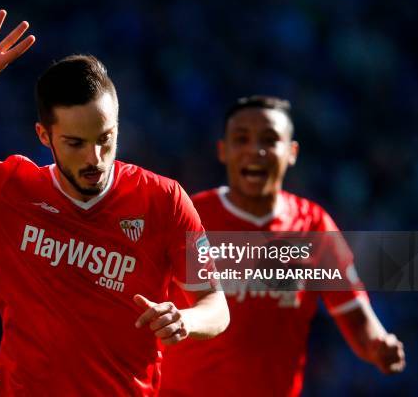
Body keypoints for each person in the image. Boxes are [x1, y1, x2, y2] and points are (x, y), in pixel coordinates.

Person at [0, 10, 229, 396]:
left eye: (105, 138)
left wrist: (185, 319)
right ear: (45, 135)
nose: (95, 158)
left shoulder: (164, 200)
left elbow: (216, 306)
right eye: (75, 143)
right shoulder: (6, 189)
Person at [160, 96, 405, 396]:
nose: (255, 150)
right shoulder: (188, 218)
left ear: (292, 152)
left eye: (269, 139)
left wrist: (378, 345)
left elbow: (355, 315)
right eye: (241, 139)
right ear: (223, 151)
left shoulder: (313, 226)